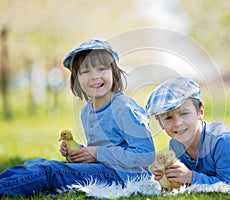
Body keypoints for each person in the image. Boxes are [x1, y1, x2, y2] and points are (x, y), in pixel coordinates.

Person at [0, 39, 155, 197]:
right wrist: (78, 152)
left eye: (101, 69)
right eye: (85, 71)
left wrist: (96, 153)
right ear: (76, 79)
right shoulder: (87, 112)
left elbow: (145, 155)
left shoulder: (124, 108)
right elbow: (101, 150)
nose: (95, 76)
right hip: (103, 170)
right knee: (37, 164)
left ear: (114, 73)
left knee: (50, 171)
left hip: (124, 176)